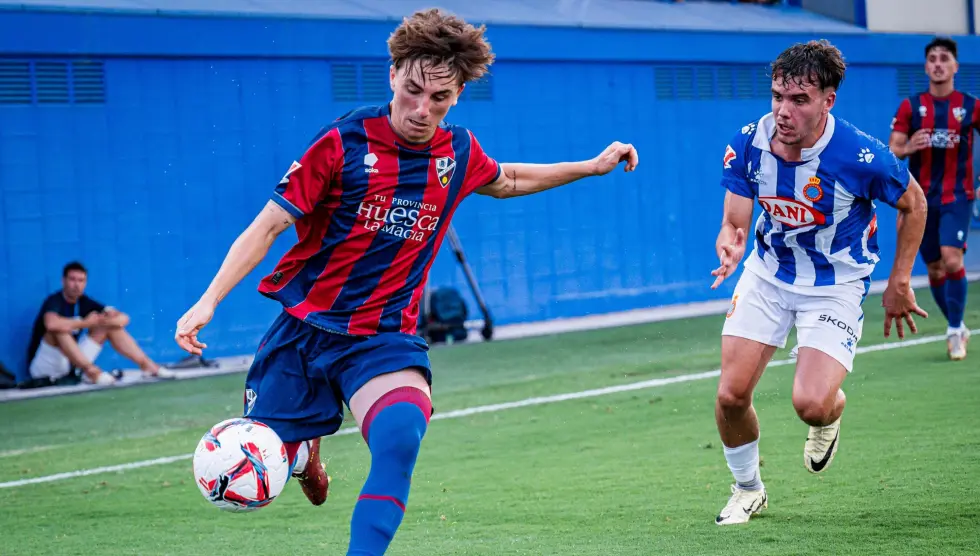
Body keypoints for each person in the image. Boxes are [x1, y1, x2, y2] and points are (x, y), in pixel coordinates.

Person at [173, 8, 637, 554]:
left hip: (384, 337)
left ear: (458, 94)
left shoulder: (457, 152)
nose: (422, 109)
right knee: (268, 449)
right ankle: (299, 454)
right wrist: (208, 300)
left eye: (439, 98)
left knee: (398, 439)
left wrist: (589, 166)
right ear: (392, 74)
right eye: (413, 90)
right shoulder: (343, 143)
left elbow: (506, 178)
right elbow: (270, 224)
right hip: (305, 332)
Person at [709, 40, 928, 525]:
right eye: (777, 97)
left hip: (836, 284)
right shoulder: (749, 142)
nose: (783, 111)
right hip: (767, 274)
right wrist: (730, 241)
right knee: (730, 394)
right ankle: (748, 489)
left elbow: (915, 204)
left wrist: (899, 281)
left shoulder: (859, 154)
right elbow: (736, 219)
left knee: (810, 404)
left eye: (799, 100)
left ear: (828, 100)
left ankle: (830, 411)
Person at [889, 37, 980, 361]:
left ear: (955, 66)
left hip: (958, 196)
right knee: (934, 269)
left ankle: (953, 331)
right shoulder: (910, 106)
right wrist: (907, 148)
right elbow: (892, 148)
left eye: (944, 58)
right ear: (926, 66)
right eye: (932, 58)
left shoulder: (972, 106)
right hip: (921, 201)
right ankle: (956, 325)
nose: (937, 63)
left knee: (951, 259)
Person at [27, 261, 177, 385]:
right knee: (60, 329)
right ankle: (92, 372)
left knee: (109, 327)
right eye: (72, 280)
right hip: (45, 367)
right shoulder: (54, 301)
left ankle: (148, 366)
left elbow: (124, 319)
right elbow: (51, 324)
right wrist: (86, 323)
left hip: (72, 363)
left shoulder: (84, 302)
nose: (76, 285)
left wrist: (106, 319)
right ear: (63, 281)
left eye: (81, 280)